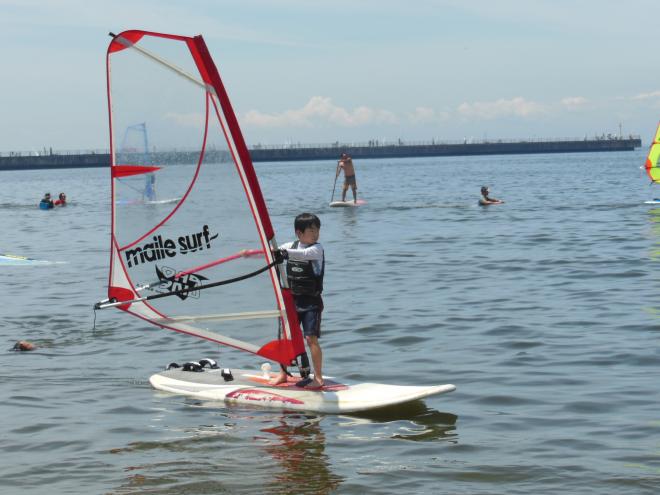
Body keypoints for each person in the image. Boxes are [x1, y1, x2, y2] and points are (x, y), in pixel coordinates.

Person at [270, 213, 325, 389]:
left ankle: (318, 378)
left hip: (311, 302)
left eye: (317, 230)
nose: (316, 234)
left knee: (310, 338)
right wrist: (252, 254)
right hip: (291, 301)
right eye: (311, 231)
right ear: (299, 233)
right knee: (285, 337)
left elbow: (303, 254)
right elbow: (273, 253)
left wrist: (283, 253)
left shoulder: (316, 249)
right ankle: (283, 374)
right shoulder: (290, 246)